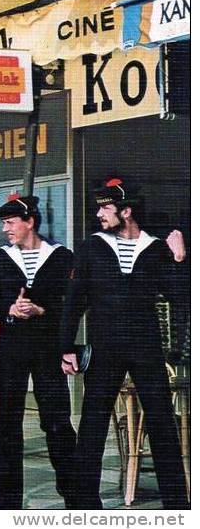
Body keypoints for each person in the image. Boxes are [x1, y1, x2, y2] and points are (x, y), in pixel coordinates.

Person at [60, 178, 190, 509]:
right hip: (104, 349)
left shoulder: (157, 248)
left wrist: (179, 258)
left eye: (106, 208)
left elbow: (181, 298)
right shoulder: (92, 247)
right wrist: (65, 347)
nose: (100, 214)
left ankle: (176, 504)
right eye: (100, 208)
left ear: (126, 211)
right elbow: (74, 301)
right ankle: (84, 503)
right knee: (92, 422)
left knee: (161, 422)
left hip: (146, 348)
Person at [0, 194, 77, 509]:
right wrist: (9, 308)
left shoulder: (61, 257)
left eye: (10, 222)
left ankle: (75, 492)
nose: (5, 229)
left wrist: (40, 310)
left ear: (29, 221)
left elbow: (72, 305)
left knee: (57, 420)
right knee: (7, 423)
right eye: (4, 223)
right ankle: (5, 503)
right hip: (11, 348)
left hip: (48, 349)